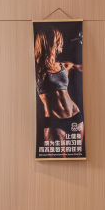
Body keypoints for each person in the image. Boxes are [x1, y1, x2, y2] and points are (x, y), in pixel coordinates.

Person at [34, 26, 83, 157]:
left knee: (78, 159)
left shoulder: (64, 66)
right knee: (59, 160)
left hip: (75, 116)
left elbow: (85, 68)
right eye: (58, 41)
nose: (62, 44)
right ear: (50, 43)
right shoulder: (37, 68)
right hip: (54, 123)